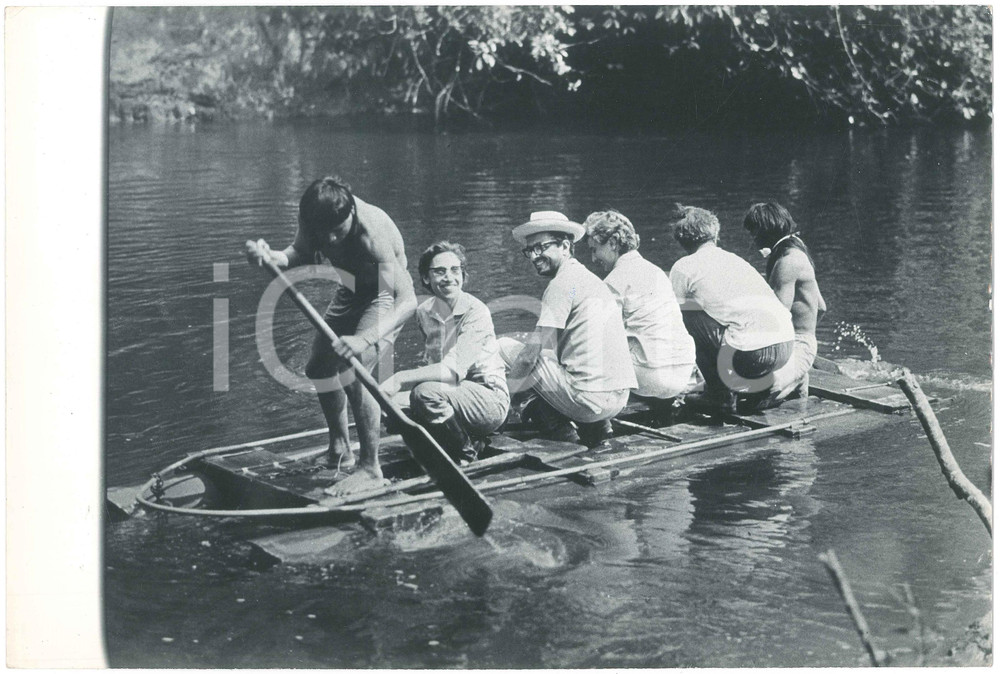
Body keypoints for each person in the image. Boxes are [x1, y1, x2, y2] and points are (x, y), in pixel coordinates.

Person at [246, 176, 417, 495]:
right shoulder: (314, 216)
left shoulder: (372, 232)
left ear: (350, 212)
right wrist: (273, 258)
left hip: (385, 295)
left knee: (357, 371)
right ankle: (340, 448)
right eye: (323, 234)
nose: (330, 241)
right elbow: (299, 252)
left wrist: (364, 340)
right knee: (319, 369)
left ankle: (371, 467)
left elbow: (409, 301)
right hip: (350, 289)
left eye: (337, 232)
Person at [498, 211, 636, 447]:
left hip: (590, 401)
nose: (534, 257)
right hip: (619, 398)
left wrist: (504, 404)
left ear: (565, 245)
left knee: (502, 347)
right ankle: (597, 428)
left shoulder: (561, 284)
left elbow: (528, 358)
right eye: (529, 250)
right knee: (540, 356)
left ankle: (559, 431)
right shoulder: (589, 279)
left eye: (541, 247)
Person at [380, 241, 509, 464]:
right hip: (451, 395)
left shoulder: (476, 311)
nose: (449, 277)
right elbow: (433, 362)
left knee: (425, 393)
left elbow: (452, 370)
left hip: (487, 399)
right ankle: (440, 447)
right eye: (440, 271)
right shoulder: (424, 312)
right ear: (426, 278)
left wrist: (399, 377)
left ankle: (465, 456)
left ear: (462, 275)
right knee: (387, 404)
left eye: (455, 270)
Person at [668, 204, 795, 412]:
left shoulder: (683, 266)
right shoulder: (735, 259)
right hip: (785, 347)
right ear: (714, 235)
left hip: (754, 356)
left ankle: (719, 395)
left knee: (686, 312)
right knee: (737, 319)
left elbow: (672, 321)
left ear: (682, 241)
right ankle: (757, 389)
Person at [584, 209, 698, 416]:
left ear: (613, 243)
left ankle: (596, 420)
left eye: (594, 249)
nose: (593, 258)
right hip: (682, 373)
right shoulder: (656, 271)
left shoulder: (613, 281)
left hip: (649, 377)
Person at [743, 202, 827, 400]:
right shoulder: (796, 252)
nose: (752, 240)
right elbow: (821, 308)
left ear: (765, 231)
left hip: (797, 345)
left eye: (754, 233)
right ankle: (794, 374)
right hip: (800, 342)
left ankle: (797, 378)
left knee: (761, 391)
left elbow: (778, 316)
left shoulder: (787, 261)